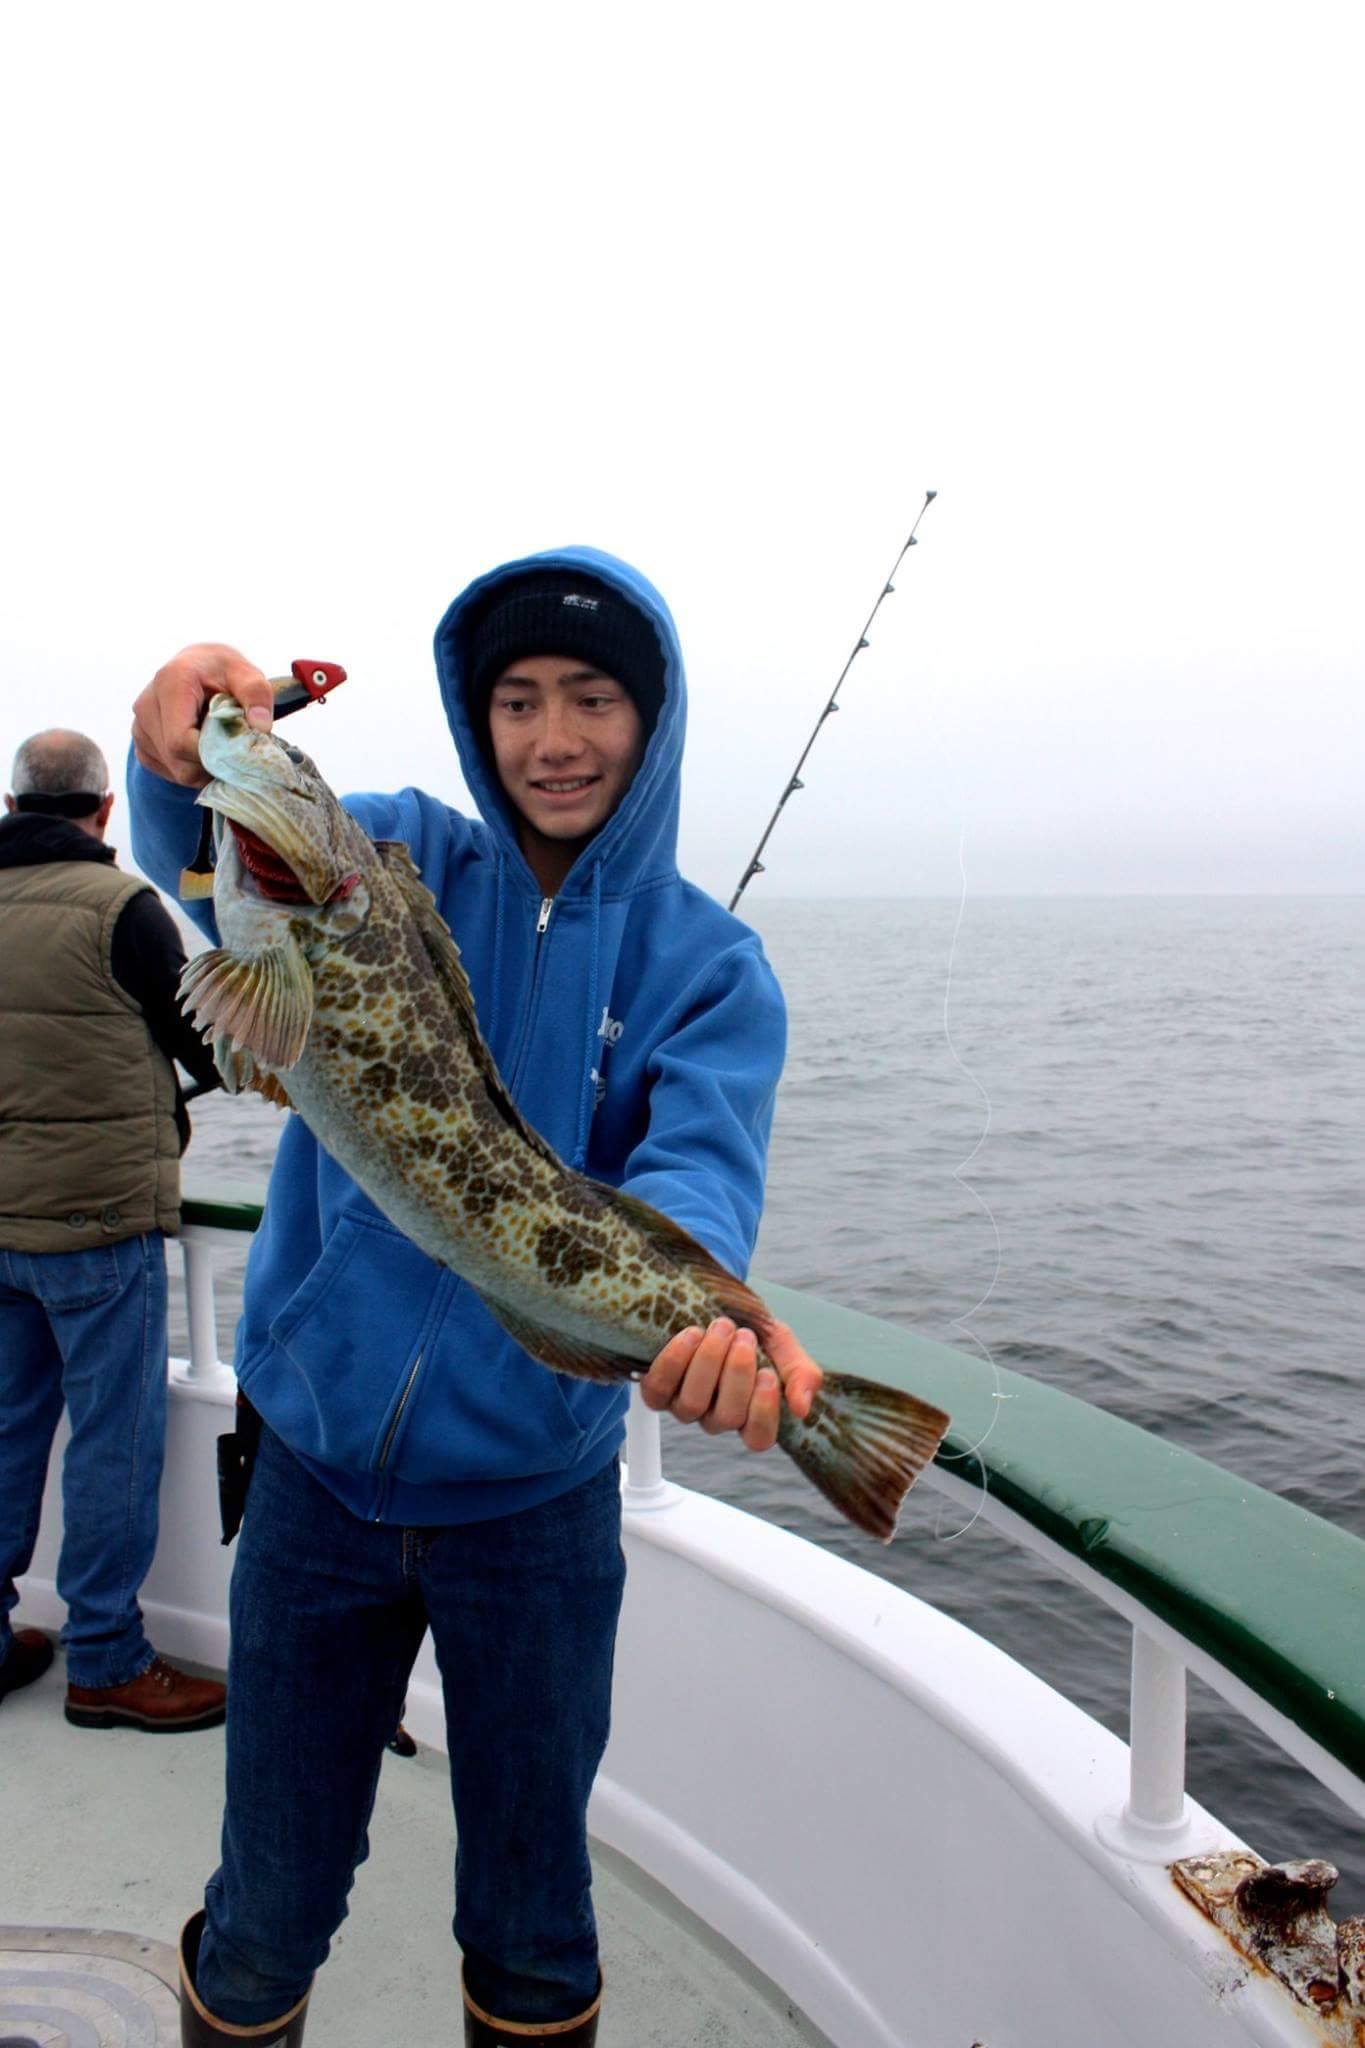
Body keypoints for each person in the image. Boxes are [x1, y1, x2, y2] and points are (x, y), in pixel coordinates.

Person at [129, 549, 823, 2048]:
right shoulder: (387, 856)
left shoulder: (711, 967)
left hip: (537, 1506)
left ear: (655, 720)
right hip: (311, 1474)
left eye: (592, 699)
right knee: (267, 1897)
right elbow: (191, 839)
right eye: (517, 701)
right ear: (474, 715)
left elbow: (698, 1170)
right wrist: (178, 736)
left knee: (533, 1910)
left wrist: (705, 1318)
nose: (553, 737)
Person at [0, 729, 226, 1734]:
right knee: (112, 1445)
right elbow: (203, 1043)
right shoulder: (123, 907)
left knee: (5, 1432)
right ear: (102, 811)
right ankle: (105, 1657)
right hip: (98, 1221)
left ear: (12, 807)